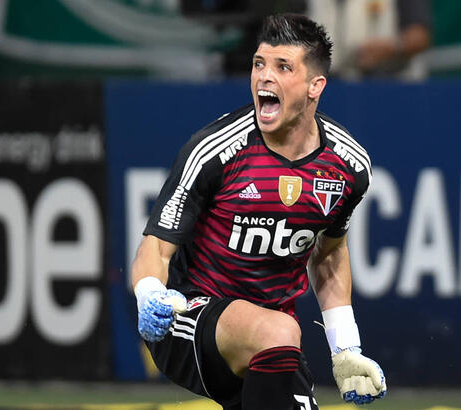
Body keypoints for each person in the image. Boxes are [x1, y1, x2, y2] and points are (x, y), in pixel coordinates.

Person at [131, 13, 386, 410]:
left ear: (315, 86)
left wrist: (345, 346)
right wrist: (148, 293)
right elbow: (156, 246)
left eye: (283, 67)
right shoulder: (215, 150)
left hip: (270, 345)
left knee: (280, 343)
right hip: (190, 318)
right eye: (258, 64)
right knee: (280, 330)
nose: (264, 77)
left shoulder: (348, 167)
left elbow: (330, 254)